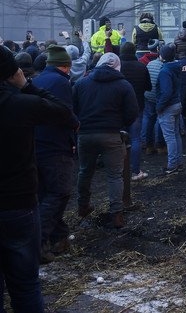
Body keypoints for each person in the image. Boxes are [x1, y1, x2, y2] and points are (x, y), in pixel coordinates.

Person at [1, 47, 75, 311]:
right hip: (18, 203)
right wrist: (26, 85)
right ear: (11, 73)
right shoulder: (19, 104)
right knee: (25, 285)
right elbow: (62, 112)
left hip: (20, 200)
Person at [73, 53, 139, 228]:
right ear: (117, 66)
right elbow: (132, 112)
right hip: (111, 134)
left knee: (85, 171)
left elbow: (72, 108)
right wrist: (121, 124)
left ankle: (83, 206)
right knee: (115, 176)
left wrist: (81, 124)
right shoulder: (123, 85)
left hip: (86, 134)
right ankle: (117, 214)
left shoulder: (81, 83)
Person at [32, 46, 79, 264]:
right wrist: (76, 124)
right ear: (66, 66)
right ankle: (38, 242)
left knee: (46, 193)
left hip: (36, 145)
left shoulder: (37, 80)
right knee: (59, 192)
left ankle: (59, 237)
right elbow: (64, 113)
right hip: (55, 145)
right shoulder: (61, 82)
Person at [118, 42, 152, 180]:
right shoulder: (141, 66)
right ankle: (135, 171)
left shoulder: (117, 66)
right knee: (135, 138)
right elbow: (148, 86)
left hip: (118, 108)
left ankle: (120, 171)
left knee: (119, 140)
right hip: (137, 106)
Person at [156, 45, 184, 175]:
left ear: (163, 56)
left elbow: (166, 92)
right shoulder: (177, 67)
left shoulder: (165, 71)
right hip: (177, 103)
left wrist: (159, 107)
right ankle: (178, 162)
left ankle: (172, 165)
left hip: (168, 106)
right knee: (176, 134)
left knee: (170, 137)